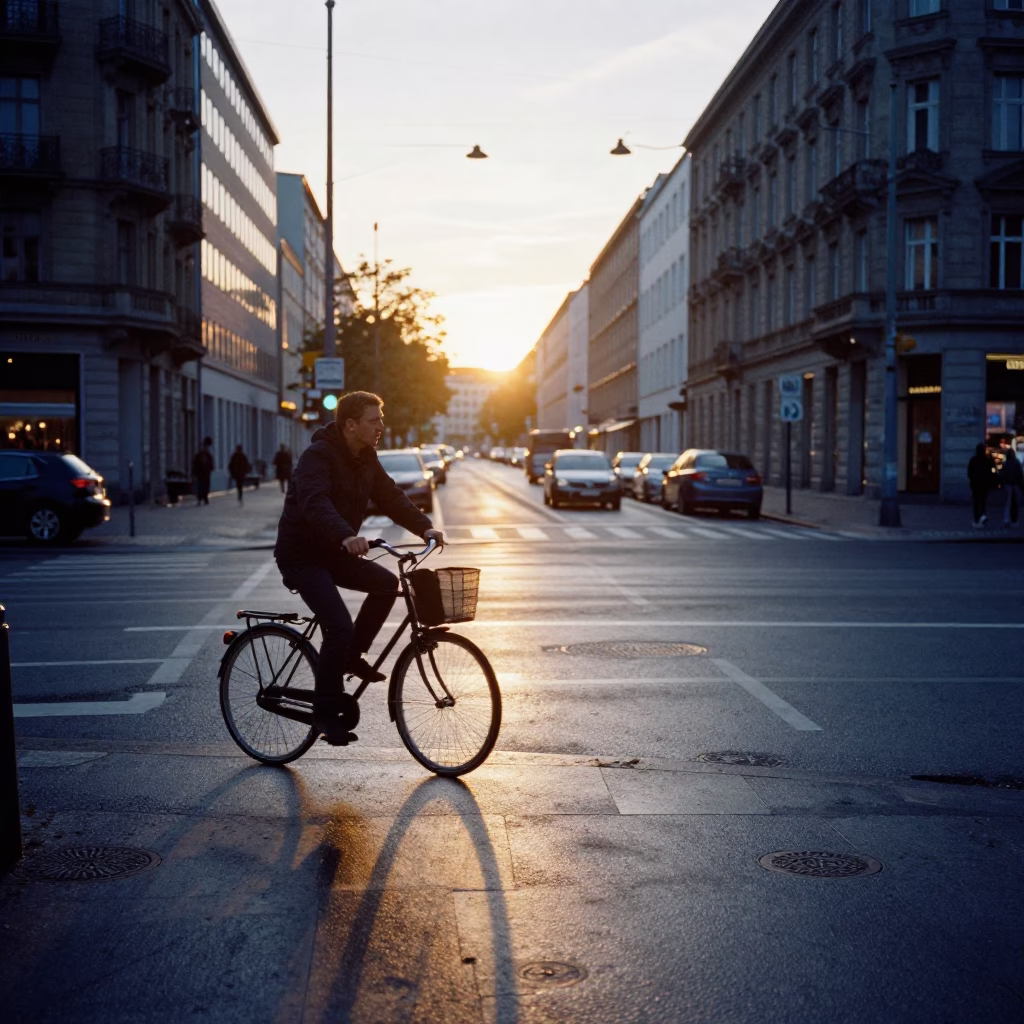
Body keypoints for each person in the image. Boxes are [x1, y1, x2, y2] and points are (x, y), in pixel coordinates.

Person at [274, 391, 444, 744]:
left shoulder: (366, 457)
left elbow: (390, 496)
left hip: (334, 552)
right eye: (374, 420)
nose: (381, 426)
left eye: (381, 419)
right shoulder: (317, 457)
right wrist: (345, 535)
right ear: (350, 425)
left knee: (385, 584)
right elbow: (314, 501)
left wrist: (424, 527)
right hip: (302, 555)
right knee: (338, 625)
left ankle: (351, 656)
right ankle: (324, 714)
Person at [967, 443, 995, 528]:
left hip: (976, 485)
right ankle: (982, 516)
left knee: (976, 502)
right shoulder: (986, 460)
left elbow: (969, 472)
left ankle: (977, 519)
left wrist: (972, 480)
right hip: (984, 485)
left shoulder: (973, 460)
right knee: (983, 501)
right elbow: (992, 469)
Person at [1000, 444, 1023, 526]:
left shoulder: (1006, 463)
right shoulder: (1016, 463)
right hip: (1015, 485)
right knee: (1015, 503)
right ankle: (1014, 520)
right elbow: (1019, 474)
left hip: (1008, 485)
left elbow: (1002, 474)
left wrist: (1002, 483)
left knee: (1007, 503)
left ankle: (1007, 519)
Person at [192, 437, 214, 506]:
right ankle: (203, 498)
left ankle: (203, 498)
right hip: (203, 473)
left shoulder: (204, 455)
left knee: (202, 485)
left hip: (203, 473)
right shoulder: (204, 455)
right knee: (203, 485)